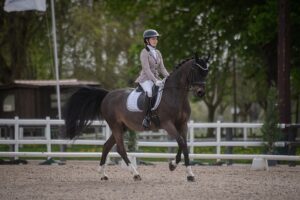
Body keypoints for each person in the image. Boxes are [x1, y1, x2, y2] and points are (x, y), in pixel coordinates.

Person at [135, 29, 169, 128]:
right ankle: (146, 117)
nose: (155, 40)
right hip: (145, 78)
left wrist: (169, 77)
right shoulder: (144, 52)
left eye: (156, 38)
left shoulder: (158, 52)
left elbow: (162, 68)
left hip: (156, 78)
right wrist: (155, 81)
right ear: (147, 40)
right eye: (153, 39)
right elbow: (146, 69)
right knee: (150, 92)